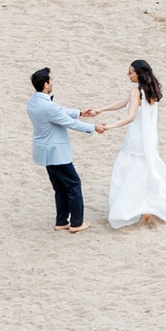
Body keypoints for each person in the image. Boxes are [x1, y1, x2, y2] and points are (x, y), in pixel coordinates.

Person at [93, 58, 166, 230]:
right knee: (146, 169)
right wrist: (100, 109)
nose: (128, 74)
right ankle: (147, 205)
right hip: (149, 138)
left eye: (131, 72)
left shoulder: (136, 91)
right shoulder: (151, 89)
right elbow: (123, 103)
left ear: (139, 74)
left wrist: (109, 126)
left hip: (135, 139)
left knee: (129, 170)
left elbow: (130, 116)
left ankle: (132, 206)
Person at [26, 67, 98, 233]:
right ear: (45, 84)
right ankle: (77, 223)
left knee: (60, 187)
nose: (52, 82)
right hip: (56, 152)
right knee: (73, 184)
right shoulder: (47, 107)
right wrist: (93, 127)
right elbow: (68, 122)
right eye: (50, 80)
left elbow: (58, 111)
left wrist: (79, 112)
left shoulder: (34, 101)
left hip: (45, 151)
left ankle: (62, 221)